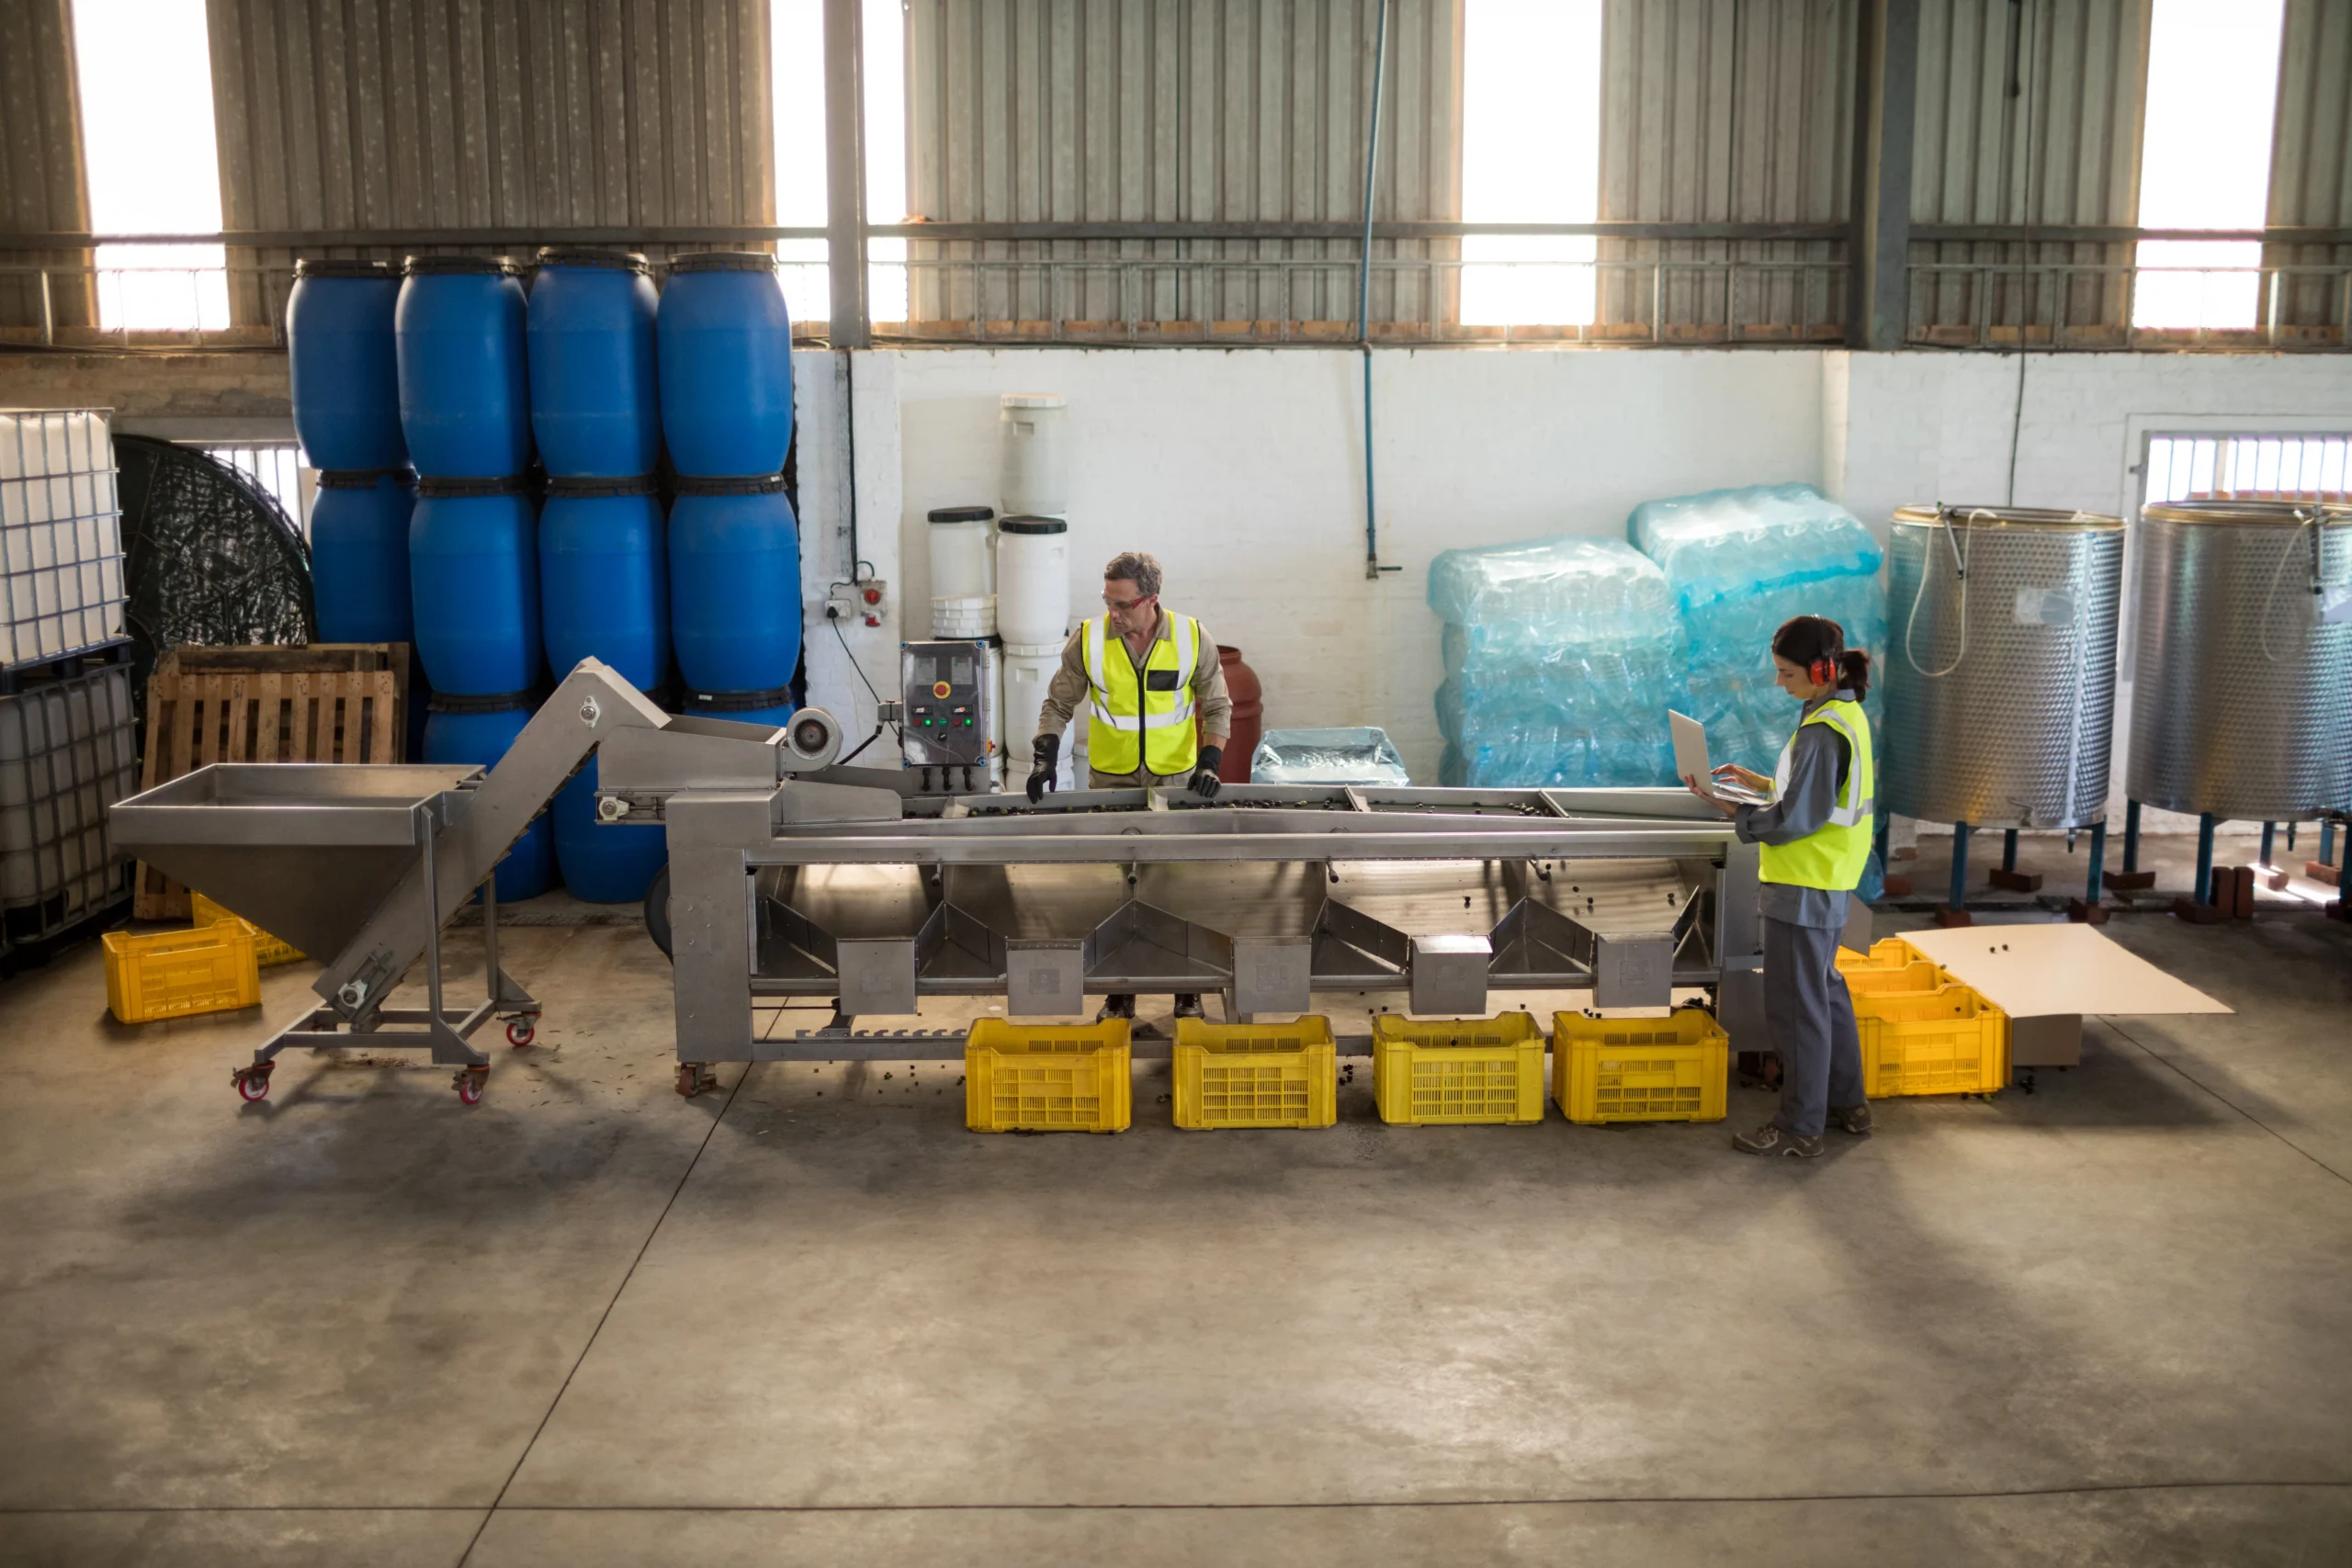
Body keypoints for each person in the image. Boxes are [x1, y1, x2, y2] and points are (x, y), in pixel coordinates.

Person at [1682, 615, 1876, 1157]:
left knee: (1796, 1009)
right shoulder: (1843, 715)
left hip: (1802, 882)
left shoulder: (1819, 731)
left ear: (1819, 669)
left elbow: (1797, 818)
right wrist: (1762, 784)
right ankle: (1847, 1105)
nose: (1778, 683)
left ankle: (1799, 1126)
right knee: (1826, 996)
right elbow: (1818, 794)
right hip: (1829, 881)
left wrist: (1734, 813)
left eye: (1786, 674)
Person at [1028, 550, 1233, 1024]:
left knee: (1180, 886)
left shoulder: (1190, 636)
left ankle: (1189, 991)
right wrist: (1044, 757)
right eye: (1107, 602)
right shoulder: (1089, 638)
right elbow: (1058, 704)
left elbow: (1217, 703)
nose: (1113, 614)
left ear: (1150, 600)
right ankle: (1120, 991)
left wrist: (1211, 762)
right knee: (1117, 887)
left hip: (1175, 780)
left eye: (1122, 605)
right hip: (1111, 780)